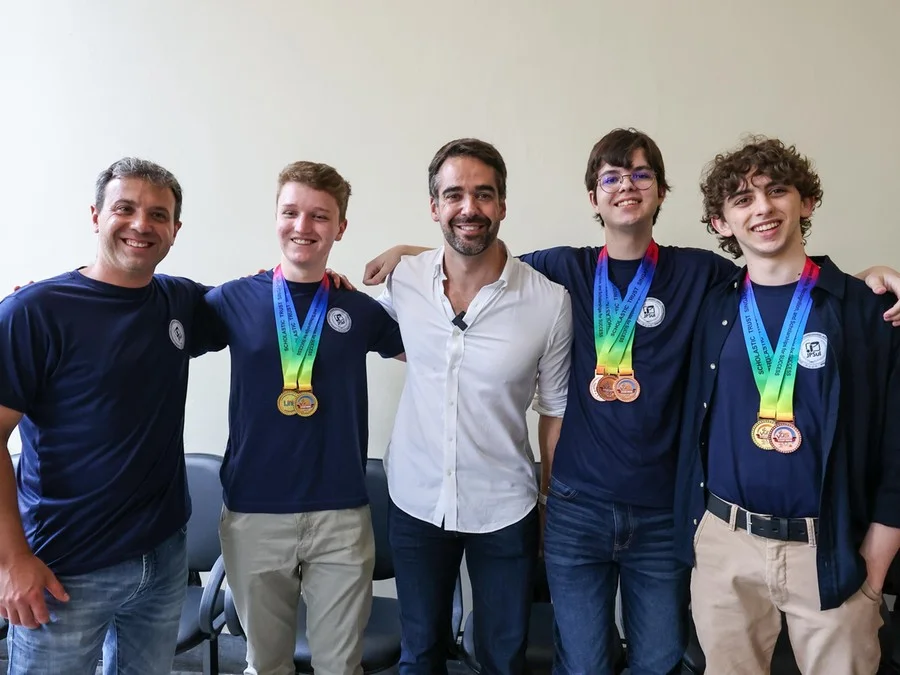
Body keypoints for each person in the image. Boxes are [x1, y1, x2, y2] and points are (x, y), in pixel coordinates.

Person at [363, 128, 900, 675]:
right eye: (611, 178)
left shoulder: (700, 275)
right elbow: (480, 258)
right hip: (578, 507)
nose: (626, 186)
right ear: (593, 197)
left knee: (658, 661)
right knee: (584, 664)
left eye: (641, 175)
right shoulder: (562, 269)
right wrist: (411, 254)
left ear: (662, 192)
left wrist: (862, 286)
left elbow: (781, 280)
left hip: (664, 513)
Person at [674, 136, 900, 674]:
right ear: (721, 224)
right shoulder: (711, 306)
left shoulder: (864, 311)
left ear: (807, 202)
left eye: (777, 190)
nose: (763, 208)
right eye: (743, 199)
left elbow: (897, 443)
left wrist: (877, 561)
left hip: (830, 549)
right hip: (726, 544)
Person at [0, 158, 208, 674]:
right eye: (125, 208)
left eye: (158, 215)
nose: (141, 224)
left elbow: (268, 303)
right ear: (95, 216)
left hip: (164, 560)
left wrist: (334, 279)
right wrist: (11, 561)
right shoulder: (34, 312)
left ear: (176, 230)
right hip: (64, 567)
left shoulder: (180, 301)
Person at [376, 138, 573, 675]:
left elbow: (554, 410)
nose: (469, 208)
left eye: (483, 195)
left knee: (502, 659)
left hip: (504, 507)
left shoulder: (548, 302)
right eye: (454, 195)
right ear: (434, 206)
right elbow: (370, 333)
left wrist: (549, 502)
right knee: (420, 654)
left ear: (502, 205)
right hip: (416, 499)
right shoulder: (403, 280)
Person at [201, 161, 404, 675]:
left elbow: (447, 325)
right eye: (291, 212)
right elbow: (151, 311)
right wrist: (37, 299)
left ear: (340, 227)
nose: (303, 226)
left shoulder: (359, 310)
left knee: (341, 666)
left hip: (340, 514)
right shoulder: (234, 299)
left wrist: (409, 253)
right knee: (265, 663)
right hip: (254, 513)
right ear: (275, 217)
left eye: (319, 216)